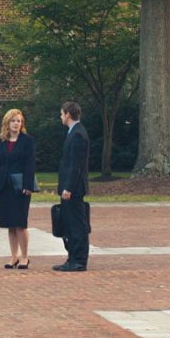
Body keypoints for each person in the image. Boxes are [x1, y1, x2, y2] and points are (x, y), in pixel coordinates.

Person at [0, 108, 37, 270]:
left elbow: (30, 164)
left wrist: (28, 185)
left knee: (20, 223)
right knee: (10, 224)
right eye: (13, 121)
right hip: (4, 186)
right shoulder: (1, 141)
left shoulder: (27, 140)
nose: (16, 124)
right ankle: (14, 257)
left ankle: (25, 256)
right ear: (7, 123)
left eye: (19, 121)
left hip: (20, 186)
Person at [54, 101, 92, 272]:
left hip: (74, 188)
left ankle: (78, 260)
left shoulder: (77, 134)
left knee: (77, 225)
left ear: (68, 114)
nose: (61, 117)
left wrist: (68, 188)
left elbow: (75, 165)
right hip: (71, 187)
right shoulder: (74, 132)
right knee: (70, 224)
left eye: (62, 114)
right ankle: (72, 258)